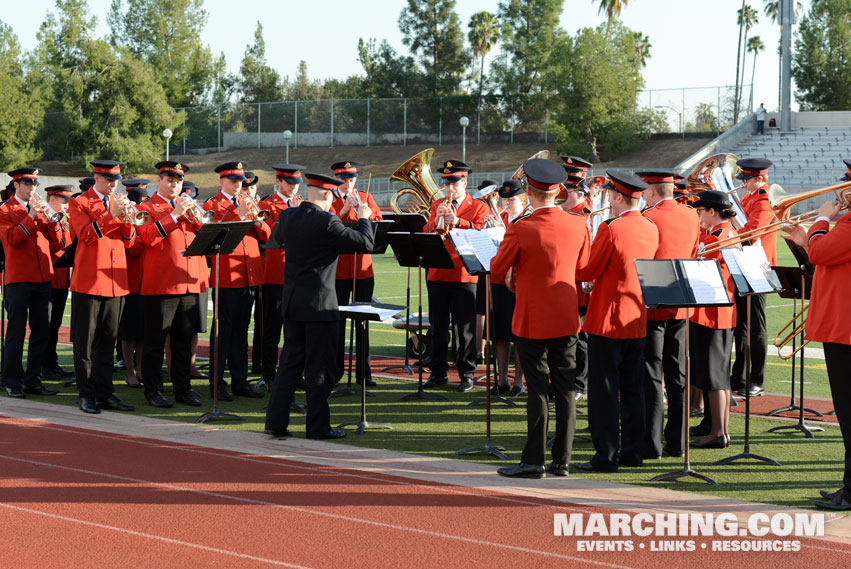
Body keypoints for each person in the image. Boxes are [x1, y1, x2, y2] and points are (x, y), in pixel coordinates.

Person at [493, 159, 591, 479]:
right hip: (566, 315)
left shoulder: (521, 226)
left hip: (533, 318)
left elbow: (496, 270)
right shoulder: (579, 223)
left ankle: (534, 460)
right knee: (564, 389)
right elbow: (584, 268)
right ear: (559, 190)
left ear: (530, 192)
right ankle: (562, 459)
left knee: (537, 391)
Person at [264, 173, 374, 439]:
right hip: (320, 307)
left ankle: (276, 422)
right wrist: (363, 217)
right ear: (328, 195)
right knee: (319, 369)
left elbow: (277, 240)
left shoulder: (289, 216)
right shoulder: (328, 221)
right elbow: (366, 243)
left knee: (289, 364)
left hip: (293, 302)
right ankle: (317, 427)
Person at [574, 170, 659, 472]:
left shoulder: (611, 228)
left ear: (619, 197)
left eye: (610, 196)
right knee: (633, 389)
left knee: (605, 391)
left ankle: (606, 455)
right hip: (636, 318)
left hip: (608, 319)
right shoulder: (651, 227)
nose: (608, 200)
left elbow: (587, 270)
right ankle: (632, 452)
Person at [783, 165, 851, 510]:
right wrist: (805, 239)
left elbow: (823, 253)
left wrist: (822, 220)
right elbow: (826, 259)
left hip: (846, 330)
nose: (844, 187)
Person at [636, 169, 700, 459]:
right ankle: (677, 441)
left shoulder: (648, 217)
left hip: (652, 302)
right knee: (677, 375)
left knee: (651, 374)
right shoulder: (691, 215)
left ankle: (652, 442)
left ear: (650, 191)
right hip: (681, 301)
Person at [67, 160, 137, 414]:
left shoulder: (117, 201)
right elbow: (85, 235)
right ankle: (86, 394)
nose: (113, 185)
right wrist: (113, 214)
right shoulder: (80, 202)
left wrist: (128, 218)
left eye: (116, 180)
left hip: (115, 283)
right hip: (89, 281)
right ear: (97, 178)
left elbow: (129, 241)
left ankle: (105, 393)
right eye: (109, 180)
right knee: (85, 344)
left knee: (108, 342)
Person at [136, 161, 208, 408]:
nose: (174, 185)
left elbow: (206, 235)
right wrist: (174, 215)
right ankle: (153, 389)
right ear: (159, 181)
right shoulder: (146, 207)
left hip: (188, 281)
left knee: (183, 342)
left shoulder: (188, 206)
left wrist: (195, 217)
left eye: (178, 181)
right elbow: (145, 237)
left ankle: (183, 389)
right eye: (169, 180)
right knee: (155, 341)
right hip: (162, 284)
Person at [203, 161, 270, 400]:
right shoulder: (211, 205)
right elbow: (210, 238)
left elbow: (267, 235)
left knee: (242, 330)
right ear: (222, 181)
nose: (238, 186)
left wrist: (259, 222)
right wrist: (238, 214)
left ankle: (240, 380)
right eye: (233, 182)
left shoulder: (251, 202)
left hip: (249, 273)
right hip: (227, 275)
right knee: (223, 331)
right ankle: (216, 382)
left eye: (241, 182)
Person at [422, 160, 489, 392]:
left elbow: (484, 232)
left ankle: (467, 373)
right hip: (438, 271)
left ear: (464, 182)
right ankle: (437, 372)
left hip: (464, 274)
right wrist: (437, 221)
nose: (450, 189)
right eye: (447, 184)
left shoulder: (479, 206)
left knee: (465, 328)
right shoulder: (437, 204)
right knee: (438, 326)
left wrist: (458, 221)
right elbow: (427, 231)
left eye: (454, 183)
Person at [0, 168, 61, 398]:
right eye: (27, 184)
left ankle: (33, 380)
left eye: (34, 184)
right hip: (18, 280)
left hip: (42, 278)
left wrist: (52, 220)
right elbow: (12, 239)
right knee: (16, 331)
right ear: (16, 185)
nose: (32, 188)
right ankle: (12, 380)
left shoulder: (40, 209)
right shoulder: (5, 210)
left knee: (42, 332)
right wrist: (31, 215)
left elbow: (56, 241)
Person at [688, 191, 738, 449]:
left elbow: (703, 272)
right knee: (715, 373)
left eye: (701, 210)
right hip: (719, 312)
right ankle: (713, 426)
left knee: (715, 375)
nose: (699, 215)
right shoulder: (726, 232)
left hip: (713, 313)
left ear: (712, 211)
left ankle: (719, 432)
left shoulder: (718, 237)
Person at [330, 160, 382, 387]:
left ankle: (364, 373)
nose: (347, 184)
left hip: (362, 269)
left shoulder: (366, 197)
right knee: (337, 323)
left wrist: (366, 216)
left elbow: (379, 224)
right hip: (338, 269)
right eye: (343, 179)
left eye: (351, 179)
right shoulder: (328, 199)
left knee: (363, 323)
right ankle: (335, 371)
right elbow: (326, 228)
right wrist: (342, 211)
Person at [730, 157, 776, 397]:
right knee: (742, 326)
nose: (743, 183)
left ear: (759, 178)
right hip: (744, 263)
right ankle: (738, 377)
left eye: (746, 179)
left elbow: (753, 231)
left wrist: (730, 229)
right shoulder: (750, 196)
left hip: (758, 265)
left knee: (756, 326)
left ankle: (756, 379)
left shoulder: (764, 198)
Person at [259, 164, 305, 387]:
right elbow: (267, 236)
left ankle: (293, 372)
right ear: (278, 182)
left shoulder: (301, 204)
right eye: (289, 184)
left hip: (297, 275)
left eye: (297, 184)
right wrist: (292, 214)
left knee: (295, 330)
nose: (294, 188)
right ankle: (269, 374)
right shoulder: (266, 205)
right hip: (275, 276)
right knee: (272, 329)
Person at [490, 179, 527, 396]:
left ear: (522, 199)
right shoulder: (500, 218)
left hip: (520, 282)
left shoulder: (527, 219)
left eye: (511, 200)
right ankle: (502, 379)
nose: (507, 204)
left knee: (519, 334)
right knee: (501, 332)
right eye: (504, 200)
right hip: (499, 280)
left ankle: (519, 381)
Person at [116, 178, 149, 389]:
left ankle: (141, 370)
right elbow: (133, 248)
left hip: (146, 280)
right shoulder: (124, 217)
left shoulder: (145, 216)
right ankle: (130, 372)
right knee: (128, 333)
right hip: (128, 280)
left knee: (143, 332)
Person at [41, 185, 75, 382]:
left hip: (62, 278)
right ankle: (44, 365)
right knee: (46, 326)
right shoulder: (46, 217)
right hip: (48, 277)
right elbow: (54, 245)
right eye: (64, 200)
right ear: (52, 199)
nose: (67, 205)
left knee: (55, 325)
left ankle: (52, 363)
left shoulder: (66, 219)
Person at [475, 179, 500, 366]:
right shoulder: (489, 214)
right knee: (482, 309)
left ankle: (480, 351)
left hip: (494, 265)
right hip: (487, 264)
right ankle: (480, 351)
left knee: (484, 310)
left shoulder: (500, 215)